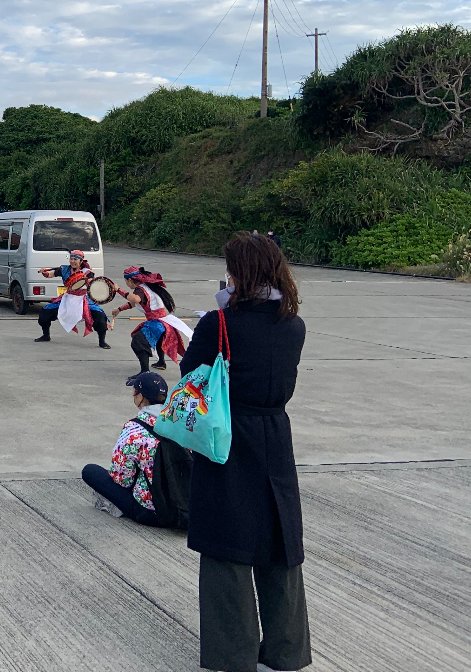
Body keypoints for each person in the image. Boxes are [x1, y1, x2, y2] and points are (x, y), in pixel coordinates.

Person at [183, 231, 311, 672]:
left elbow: (192, 373)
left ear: (239, 273)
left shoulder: (219, 323)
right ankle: (286, 650)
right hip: (275, 433)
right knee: (280, 540)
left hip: (228, 434)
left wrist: (220, 311)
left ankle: (233, 653)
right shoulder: (293, 326)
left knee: (227, 542)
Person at [81, 372, 169, 526]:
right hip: (183, 506)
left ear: (140, 397)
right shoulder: (179, 424)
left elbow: (122, 479)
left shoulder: (134, 429)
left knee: (90, 471)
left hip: (151, 512)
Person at [110, 266, 193, 374]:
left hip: (157, 322)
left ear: (130, 280)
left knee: (138, 342)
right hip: (163, 321)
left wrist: (118, 290)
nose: (126, 284)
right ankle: (161, 362)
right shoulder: (147, 287)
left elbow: (135, 299)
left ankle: (145, 371)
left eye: (126, 281)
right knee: (159, 341)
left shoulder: (140, 290)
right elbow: (135, 303)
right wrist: (119, 309)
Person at [35, 250, 112, 349]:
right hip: (68, 297)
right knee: (45, 311)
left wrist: (88, 281)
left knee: (100, 315)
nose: (72, 261)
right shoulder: (64, 269)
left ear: (81, 261)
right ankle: (46, 335)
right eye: (71, 259)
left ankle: (102, 341)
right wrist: (44, 273)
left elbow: (91, 283)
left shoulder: (87, 272)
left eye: (75, 259)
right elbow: (50, 275)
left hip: (82, 298)